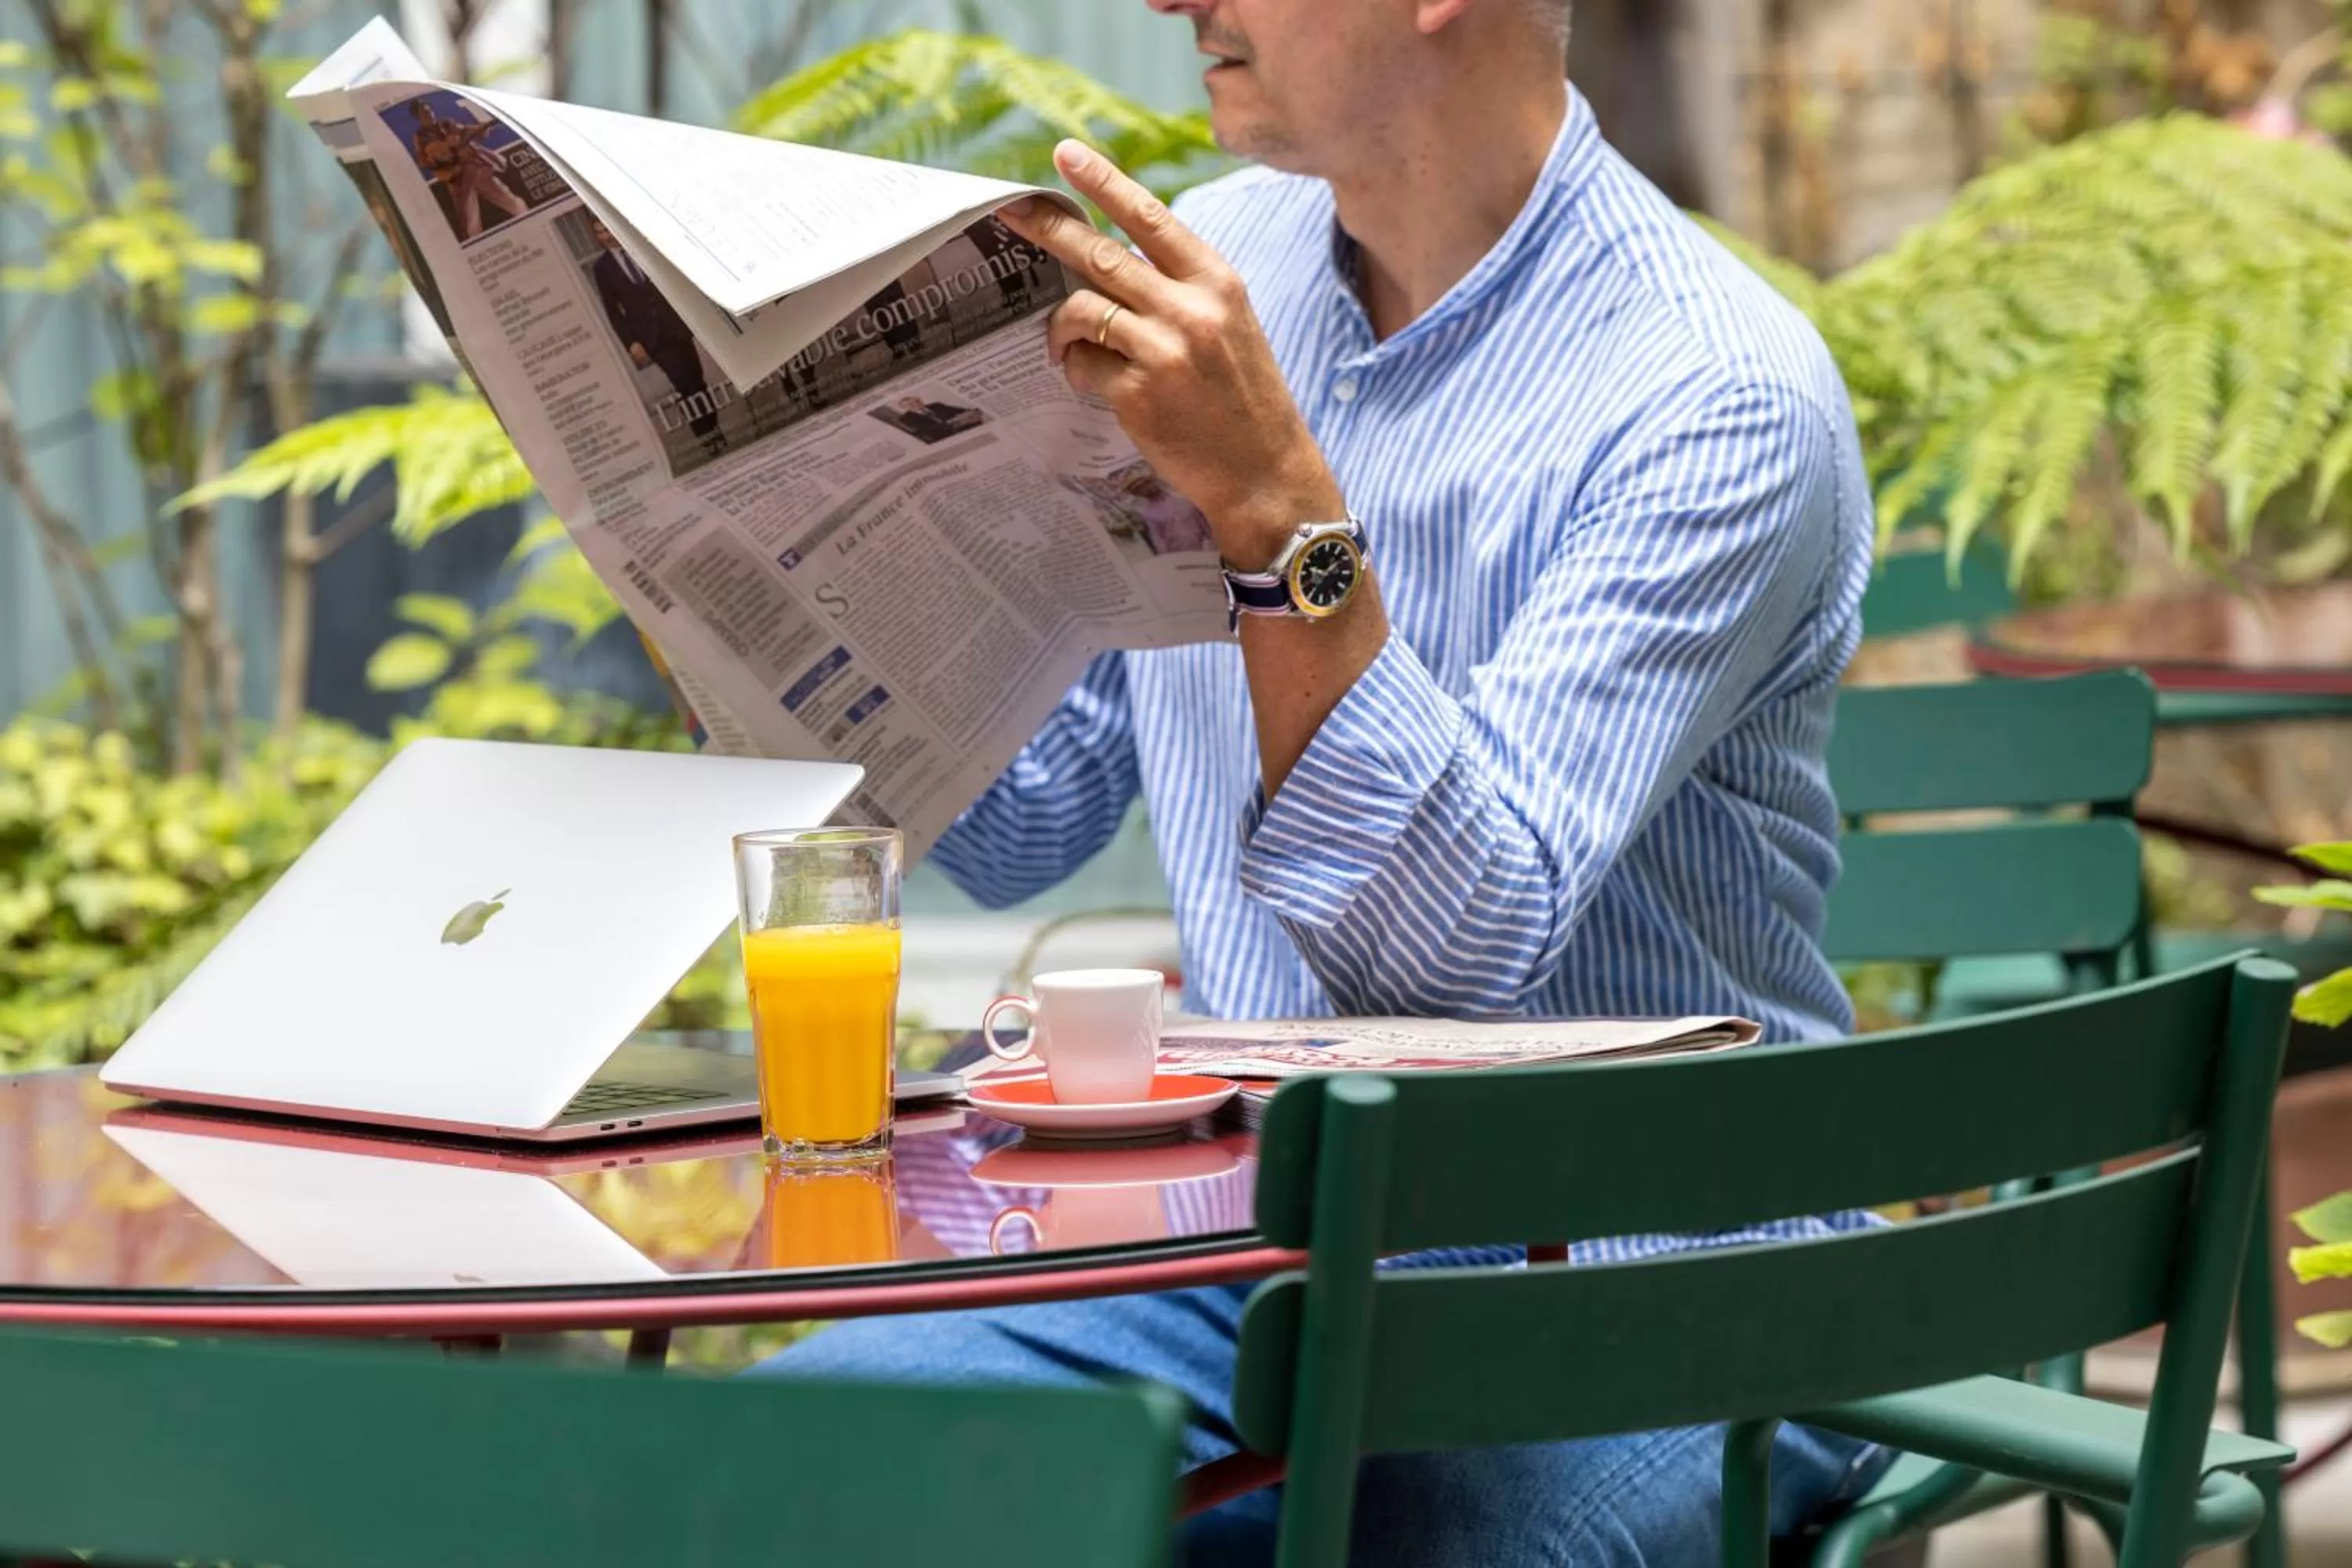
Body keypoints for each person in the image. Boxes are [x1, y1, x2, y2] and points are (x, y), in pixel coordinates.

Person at [761, 0, 1889, 1560]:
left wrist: (1276, 517)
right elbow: (1029, 813)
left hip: (1661, 1280)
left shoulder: (1716, 393)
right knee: (776, 1475)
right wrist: (740, 588)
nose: (1173, 3)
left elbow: (1445, 955)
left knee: (1419, 1535)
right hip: (1261, 1261)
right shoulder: (1215, 278)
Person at [586, 216, 724, 455]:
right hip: (652, 336)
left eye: (607, 229)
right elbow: (613, 312)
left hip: (675, 324)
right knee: (684, 383)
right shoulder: (603, 269)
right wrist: (631, 343)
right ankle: (705, 436)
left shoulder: (642, 245)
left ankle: (714, 428)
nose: (605, 236)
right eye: (599, 233)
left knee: (697, 379)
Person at [409, 101, 528, 241]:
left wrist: (481, 128)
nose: (430, 113)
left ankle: (527, 216)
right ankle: (478, 244)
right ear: (418, 116)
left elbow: (466, 131)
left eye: (430, 110)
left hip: (475, 168)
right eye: (425, 112)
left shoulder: (446, 123)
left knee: (506, 198)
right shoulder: (420, 137)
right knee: (470, 220)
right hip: (457, 178)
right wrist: (442, 157)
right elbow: (423, 161)